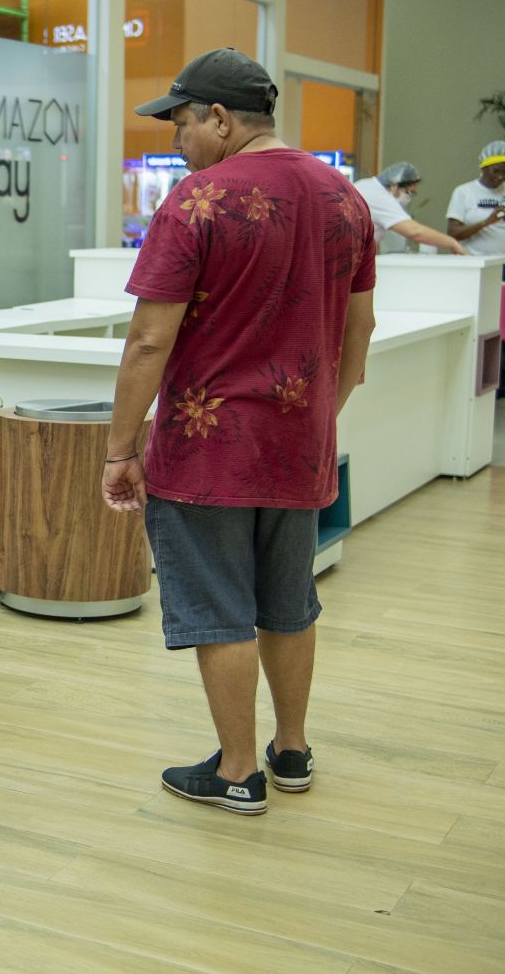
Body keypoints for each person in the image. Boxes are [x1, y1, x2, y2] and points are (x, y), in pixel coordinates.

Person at [103, 48, 377, 816]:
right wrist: (322, 411)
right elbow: (361, 330)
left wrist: (121, 448)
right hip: (301, 446)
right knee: (289, 600)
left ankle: (235, 769)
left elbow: (149, 342)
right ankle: (290, 750)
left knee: (221, 607)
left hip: (208, 451)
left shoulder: (196, 202)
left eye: (182, 123)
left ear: (220, 118)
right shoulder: (345, 200)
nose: (175, 141)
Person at [448, 141, 505, 400]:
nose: (500, 177)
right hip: (474, 264)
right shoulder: (464, 192)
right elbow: (453, 232)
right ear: (483, 168)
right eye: (495, 171)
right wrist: (488, 221)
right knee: (477, 322)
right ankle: (470, 377)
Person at [352, 162, 467, 254]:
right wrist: (452, 243)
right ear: (394, 186)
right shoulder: (377, 195)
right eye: (408, 192)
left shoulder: (365, 185)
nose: (408, 197)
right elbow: (415, 232)